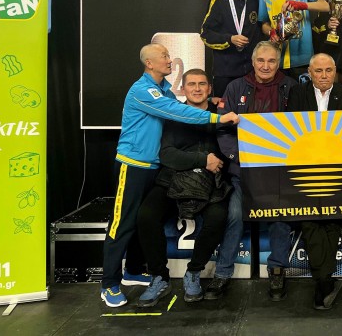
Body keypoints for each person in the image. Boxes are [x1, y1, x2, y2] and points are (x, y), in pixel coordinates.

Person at [100, 44, 239, 308]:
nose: (170, 60)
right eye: (164, 56)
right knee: (122, 223)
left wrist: (213, 101)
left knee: (141, 219)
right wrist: (217, 118)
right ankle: (109, 284)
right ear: (149, 63)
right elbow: (178, 112)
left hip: (153, 168)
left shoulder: (164, 90)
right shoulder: (143, 90)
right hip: (133, 165)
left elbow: (182, 105)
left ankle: (133, 270)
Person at [136, 69, 231, 306]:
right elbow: (167, 155)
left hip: (210, 183)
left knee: (218, 217)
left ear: (210, 89)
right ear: (183, 89)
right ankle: (159, 277)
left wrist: (213, 163)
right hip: (172, 179)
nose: (197, 89)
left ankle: (194, 272)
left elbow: (227, 154)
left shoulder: (221, 116)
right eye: (191, 84)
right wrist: (203, 159)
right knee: (146, 215)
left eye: (202, 84)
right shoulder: (173, 115)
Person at [213, 41, 298, 301]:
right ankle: (222, 273)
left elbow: (302, 127)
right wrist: (240, 157)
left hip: (280, 172)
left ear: (279, 63)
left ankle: (277, 270)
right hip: (244, 171)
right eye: (261, 60)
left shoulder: (292, 87)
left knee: (280, 217)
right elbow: (223, 130)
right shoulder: (235, 87)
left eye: (271, 61)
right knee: (235, 216)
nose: (266, 66)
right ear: (253, 62)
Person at [287, 53, 342, 309]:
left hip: (338, 167)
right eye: (318, 71)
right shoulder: (297, 93)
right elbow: (291, 130)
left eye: (329, 70)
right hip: (306, 167)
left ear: (335, 71)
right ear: (309, 72)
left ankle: (323, 281)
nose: (324, 75)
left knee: (332, 219)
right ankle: (325, 281)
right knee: (310, 220)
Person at [200, 0, 263, 98]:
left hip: (252, 71)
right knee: (224, 109)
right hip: (225, 72)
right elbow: (205, 34)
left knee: (251, 109)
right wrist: (230, 39)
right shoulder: (219, 0)